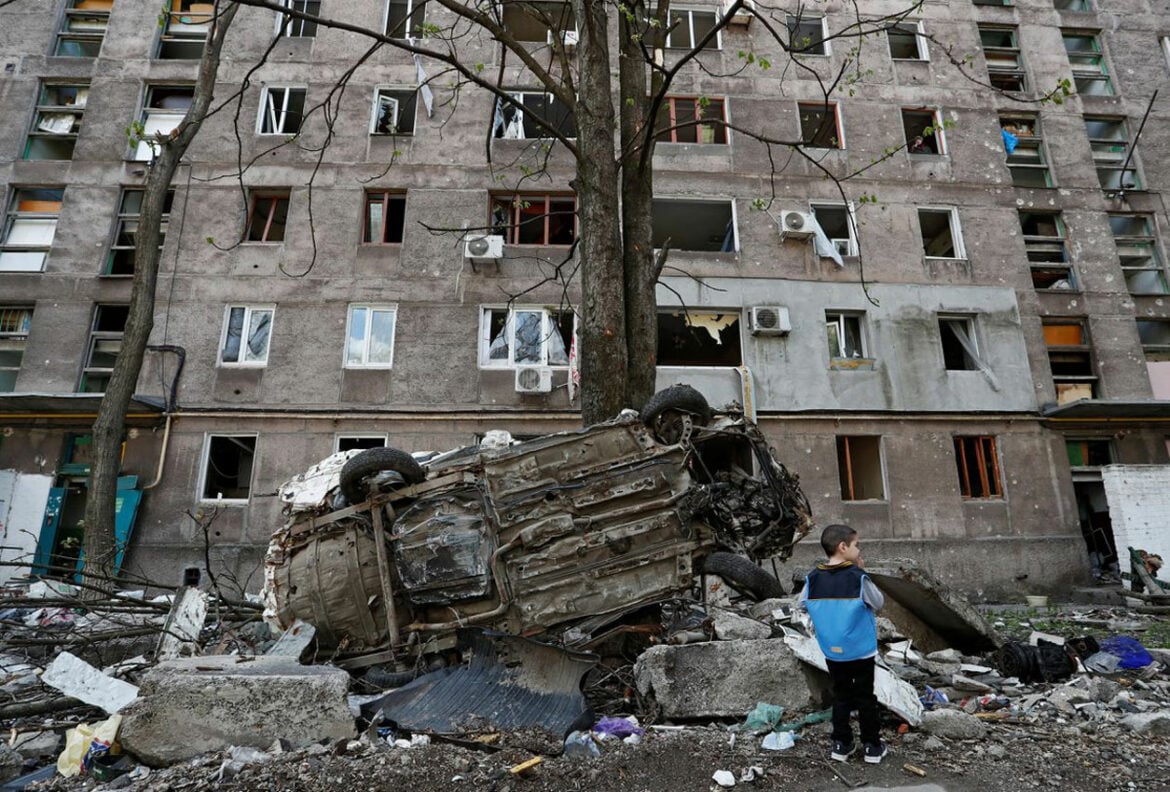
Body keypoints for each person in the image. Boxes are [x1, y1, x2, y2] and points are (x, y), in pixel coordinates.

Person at [798, 524, 886, 764]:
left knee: (841, 696)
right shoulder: (857, 577)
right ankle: (872, 747)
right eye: (856, 545)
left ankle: (841, 744)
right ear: (843, 546)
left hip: (832, 650)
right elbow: (878, 603)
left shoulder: (813, 577)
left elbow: (802, 605)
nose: (858, 549)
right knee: (866, 696)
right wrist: (863, 573)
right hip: (860, 650)